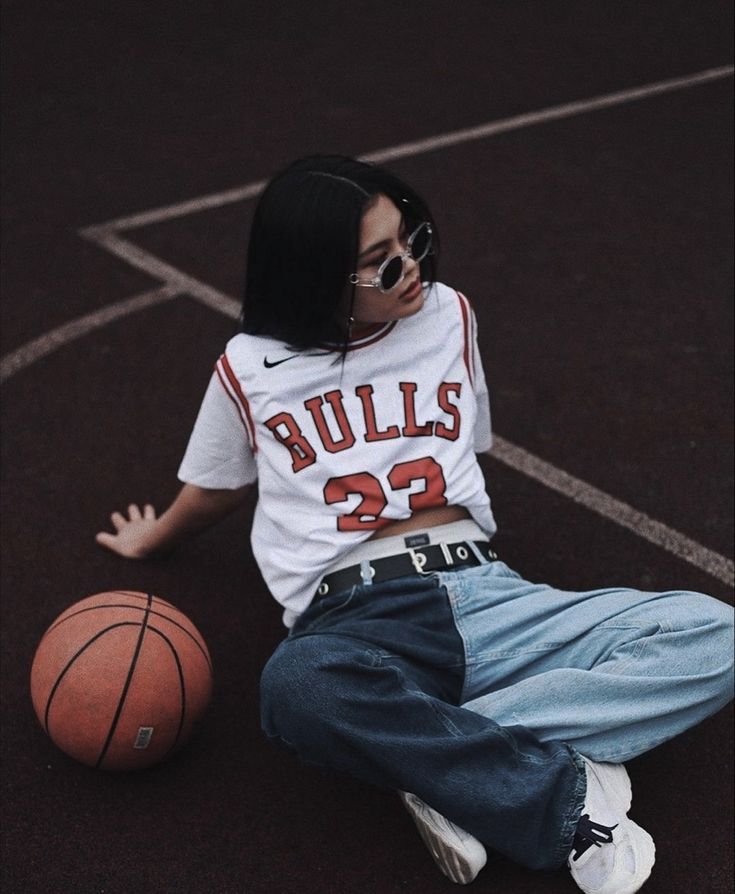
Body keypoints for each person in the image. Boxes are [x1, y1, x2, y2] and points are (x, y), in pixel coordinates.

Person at [96, 155, 734, 892]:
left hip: (487, 592)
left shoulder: (448, 315)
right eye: (379, 264)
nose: (410, 268)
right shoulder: (248, 367)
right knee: (295, 688)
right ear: (314, 275)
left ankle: (436, 756)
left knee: (711, 635)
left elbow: (468, 442)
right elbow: (215, 487)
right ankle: (558, 804)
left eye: (410, 241)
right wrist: (159, 537)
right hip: (353, 619)